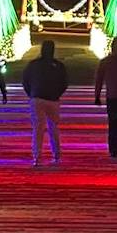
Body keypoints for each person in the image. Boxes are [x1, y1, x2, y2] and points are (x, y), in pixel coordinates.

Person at [21, 38, 69, 168]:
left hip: (37, 98)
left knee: (38, 128)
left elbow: (25, 80)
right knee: (53, 128)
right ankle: (56, 154)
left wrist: (31, 93)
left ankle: (36, 156)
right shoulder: (58, 65)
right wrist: (57, 94)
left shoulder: (33, 64)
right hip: (53, 99)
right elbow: (64, 83)